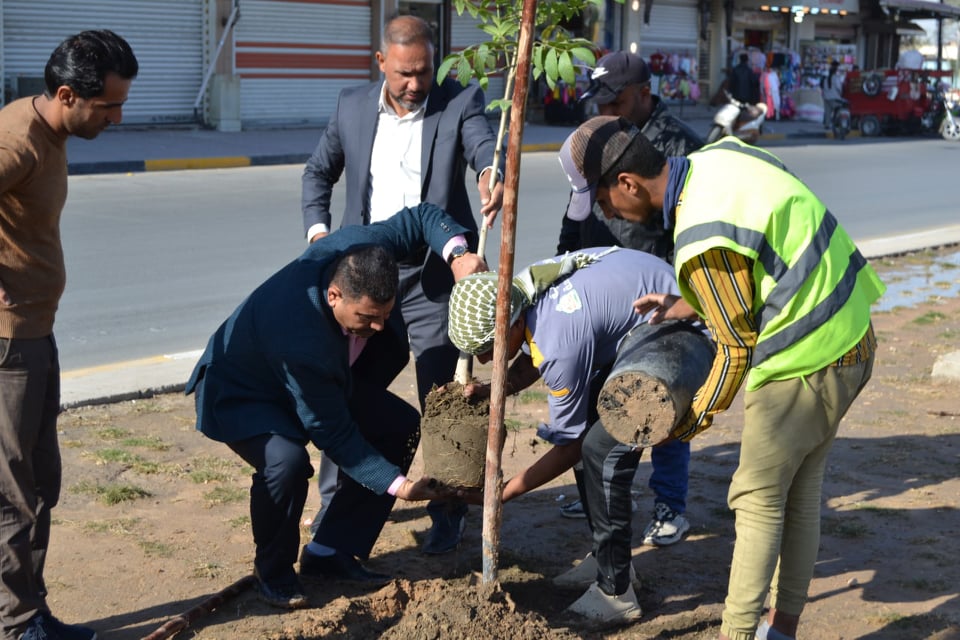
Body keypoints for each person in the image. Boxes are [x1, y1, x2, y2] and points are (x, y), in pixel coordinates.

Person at [565, 115, 884, 640]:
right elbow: (754, 253)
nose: (605, 213)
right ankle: (780, 631)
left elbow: (734, 352)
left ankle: (736, 633)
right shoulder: (722, 157)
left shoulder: (699, 237)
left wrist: (684, 425)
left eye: (602, 200)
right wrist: (684, 304)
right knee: (800, 494)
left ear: (627, 183)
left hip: (803, 359)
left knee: (755, 501)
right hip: (852, 330)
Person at [186, 203, 485, 609]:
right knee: (285, 462)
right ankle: (272, 572)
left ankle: (331, 552)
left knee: (398, 425)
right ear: (334, 295)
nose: (379, 327)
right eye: (367, 317)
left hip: (322, 378)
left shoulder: (364, 251)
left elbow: (421, 218)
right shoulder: (300, 336)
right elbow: (337, 436)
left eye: (386, 314)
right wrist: (401, 487)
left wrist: (459, 256)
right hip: (247, 390)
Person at [300, 14, 503, 555]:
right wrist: (321, 235)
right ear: (381, 63)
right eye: (406, 74)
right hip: (366, 275)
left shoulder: (459, 101)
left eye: (425, 72)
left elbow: (483, 144)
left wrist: (489, 172)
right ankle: (334, 498)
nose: (417, 84)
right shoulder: (351, 105)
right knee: (343, 387)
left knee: (440, 393)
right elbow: (318, 172)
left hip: (433, 275)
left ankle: (447, 508)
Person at [447, 246, 706, 626]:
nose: (485, 361)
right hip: (636, 327)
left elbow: (570, 444)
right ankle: (607, 561)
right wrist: (493, 389)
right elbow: (536, 354)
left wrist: (504, 493)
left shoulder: (557, 340)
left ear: (513, 323)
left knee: (602, 448)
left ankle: (617, 593)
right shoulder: (524, 290)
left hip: (681, 331)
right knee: (590, 432)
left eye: (487, 350)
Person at [0, 30, 137, 640]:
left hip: (37, 333)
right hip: (9, 344)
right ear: (66, 94)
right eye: (108, 106)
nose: (117, 117)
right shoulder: (17, 141)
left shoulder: (50, 132)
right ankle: (17, 626)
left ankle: (32, 613)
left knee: (40, 480)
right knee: (14, 491)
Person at [556, 50, 704, 548]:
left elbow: (692, 230)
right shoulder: (599, 134)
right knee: (601, 393)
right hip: (603, 292)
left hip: (658, 294)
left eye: (616, 101)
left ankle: (669, 504)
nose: (607, 111)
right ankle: (602, 490)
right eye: (600, 102)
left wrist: (682, 297)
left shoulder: (680, 147)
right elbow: (578, 210)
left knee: (662, 401)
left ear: (644, 93)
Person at [821, 60, 844, 129]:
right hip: (834, 98)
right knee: (839, 108)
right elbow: (839, 88)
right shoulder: (836, 78)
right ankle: (835, 122)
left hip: (826, 97)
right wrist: (840, 94)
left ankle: (827, 125)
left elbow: (823, 87)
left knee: (827, 111)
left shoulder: (826, 78)